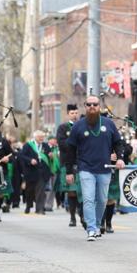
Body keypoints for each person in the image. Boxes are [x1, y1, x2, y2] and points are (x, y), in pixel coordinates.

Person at [65, 96, 126, 241]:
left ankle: (98, 225)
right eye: (89, 104)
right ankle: (91, 229)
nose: (92, 106)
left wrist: (120, 158)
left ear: (99, 107)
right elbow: (70, 150)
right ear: (84, 106)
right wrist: (69, 171)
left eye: (95, 104)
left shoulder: (108, 124)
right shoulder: (78, 126)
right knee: (88, 199)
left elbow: (118, 143)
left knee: (102, 200)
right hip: (85, 168)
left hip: (104, 169)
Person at [55, 104, 83, 227]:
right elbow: (62, 144)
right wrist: (75, 142)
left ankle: (82, 214)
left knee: (82, 191)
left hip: (82, 162)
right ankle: (72, 217)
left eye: (76, 112)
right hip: (68, 163)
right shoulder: (62, 128)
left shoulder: (83, 126)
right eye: (72, 113)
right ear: (68, 114)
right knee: (71, 192)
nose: (75, 115)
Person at [19, 130, 51, 215]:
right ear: (35, 137)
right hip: (31, 171)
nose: (41, 139)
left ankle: (40, 209)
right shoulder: (28, 145)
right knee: (30, 191)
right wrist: (30, 160)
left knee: (41, 191)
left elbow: (48, 156)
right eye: (40, 137)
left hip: (42, 171)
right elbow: (21, 156)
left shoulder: (45, 145)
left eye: (42, 137)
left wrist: (50, 156)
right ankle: (28, 205)